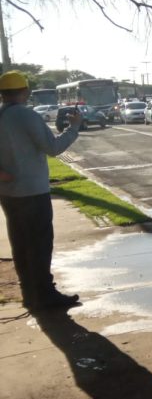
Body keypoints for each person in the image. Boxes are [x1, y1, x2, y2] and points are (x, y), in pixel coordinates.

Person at [0, 70, 82, 309]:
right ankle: (45, 295)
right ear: (24, 92)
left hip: (7, 192)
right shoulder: (27, 116)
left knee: (20, 243)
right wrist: (74, 127)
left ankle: (29, 293)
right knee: (40, 244)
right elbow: (53, 148)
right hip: (32, 193)